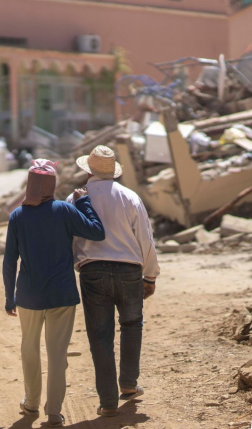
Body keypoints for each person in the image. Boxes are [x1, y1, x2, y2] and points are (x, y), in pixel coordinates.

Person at [2, 159, 106, 427]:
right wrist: (83, 203)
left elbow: (9, 260)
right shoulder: (63, 210)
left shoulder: (17, 215)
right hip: (62, 296)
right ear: (52, 184)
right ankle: (54, 412)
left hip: (28, 296)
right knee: (58, 355)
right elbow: (96, 232)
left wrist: (8, 297)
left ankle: (31, 403)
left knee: (29, 349)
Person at [67, 145, 160, 417]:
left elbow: (71, 240)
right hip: (129, 271)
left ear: (88, 169)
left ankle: (108, 401)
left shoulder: (75, 200)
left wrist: (78, 264)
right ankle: (129, 384)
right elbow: (146, 238)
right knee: (132, 325)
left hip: (92, 272)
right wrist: (150, 274)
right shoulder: (129, 197)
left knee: (100, 336)